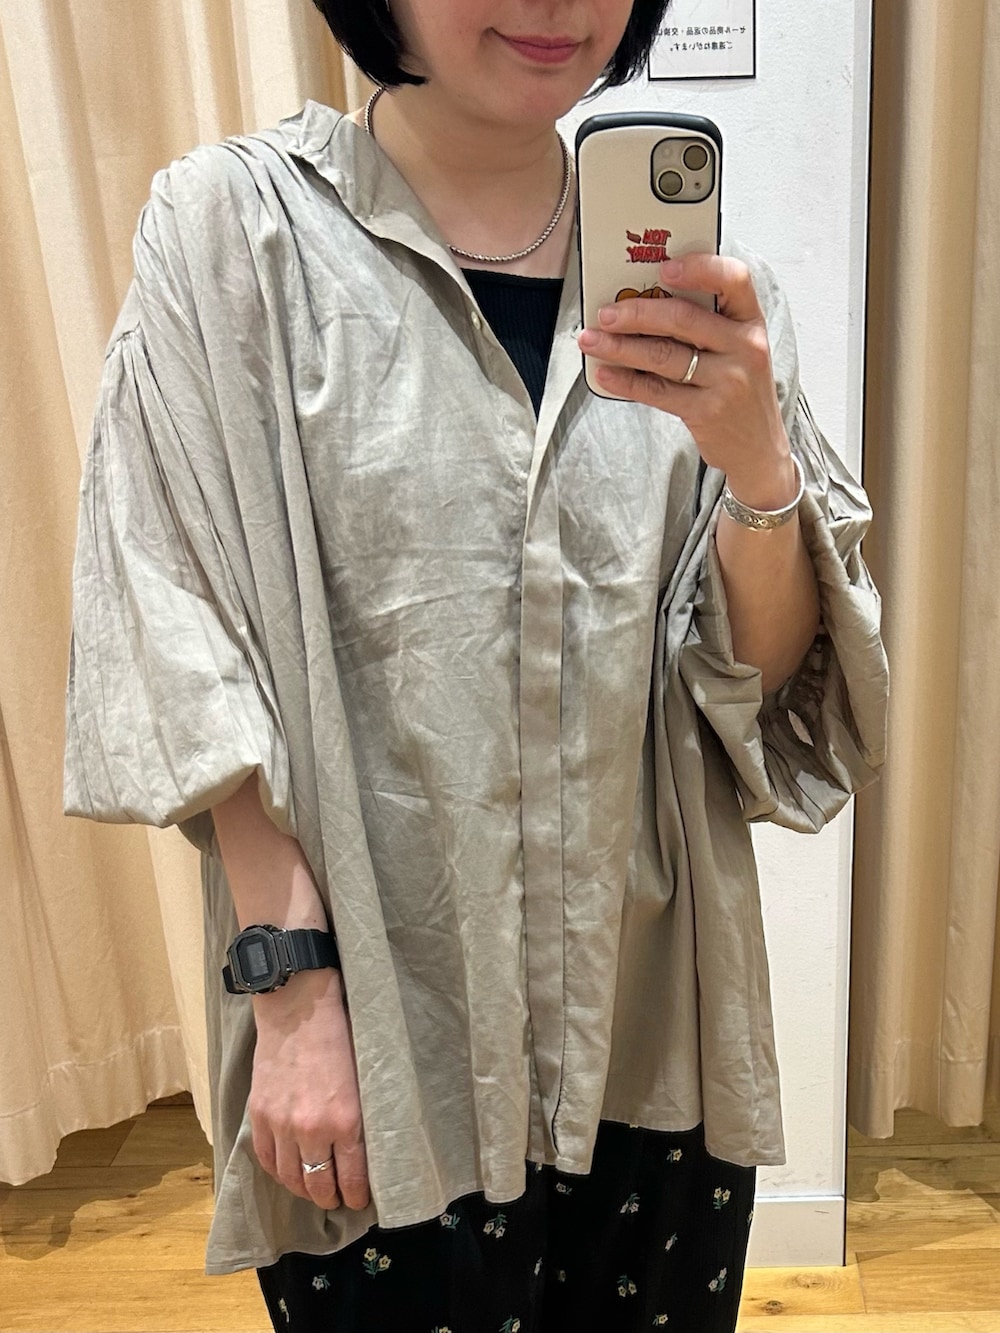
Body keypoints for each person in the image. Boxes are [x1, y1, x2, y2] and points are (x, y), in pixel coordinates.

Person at [62, 2, 888, 1330]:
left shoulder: (705, 294)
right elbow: (178, 620)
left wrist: (760, 475)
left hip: (652, 1033)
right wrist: (292, 998)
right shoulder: (234, 236)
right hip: (382, 1040)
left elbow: (765, 687)